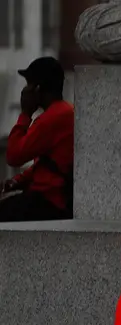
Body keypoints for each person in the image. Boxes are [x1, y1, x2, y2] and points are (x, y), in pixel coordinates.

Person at [0, 56, 74, 221]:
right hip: (52, 198)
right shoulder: (65, 111)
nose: (25, 91)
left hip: (49, 201)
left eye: (28, 85)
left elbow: (13, 156)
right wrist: (20, 180)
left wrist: (25, 113)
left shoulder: (51, 119)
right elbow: (47, 162)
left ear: (37, 89)